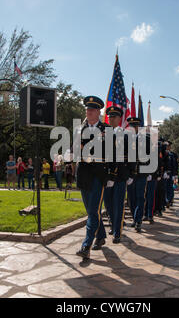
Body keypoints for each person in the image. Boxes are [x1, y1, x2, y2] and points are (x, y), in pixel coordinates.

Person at [75, 96, 112, 260]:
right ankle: (101, 235)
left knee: (92, 211)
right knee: (92, 210)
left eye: (91, 109)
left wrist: (111, 175)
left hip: (98, 175)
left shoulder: (107, 129)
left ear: (98, 112)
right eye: (87, 109)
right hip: (83, 174)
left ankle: (86, 245)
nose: (88, 112)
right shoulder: (80, 129)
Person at [103, 106, 134, 243]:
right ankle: (112, 223)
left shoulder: (125, 135)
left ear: (119, 118)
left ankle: (117, 231)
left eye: (114, 117)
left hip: (120, 176)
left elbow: (131, 156)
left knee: (118, 204)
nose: (111, 119)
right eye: (109, 117)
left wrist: (131, 174)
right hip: (106, 176)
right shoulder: (104, 133)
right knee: (108, 203)